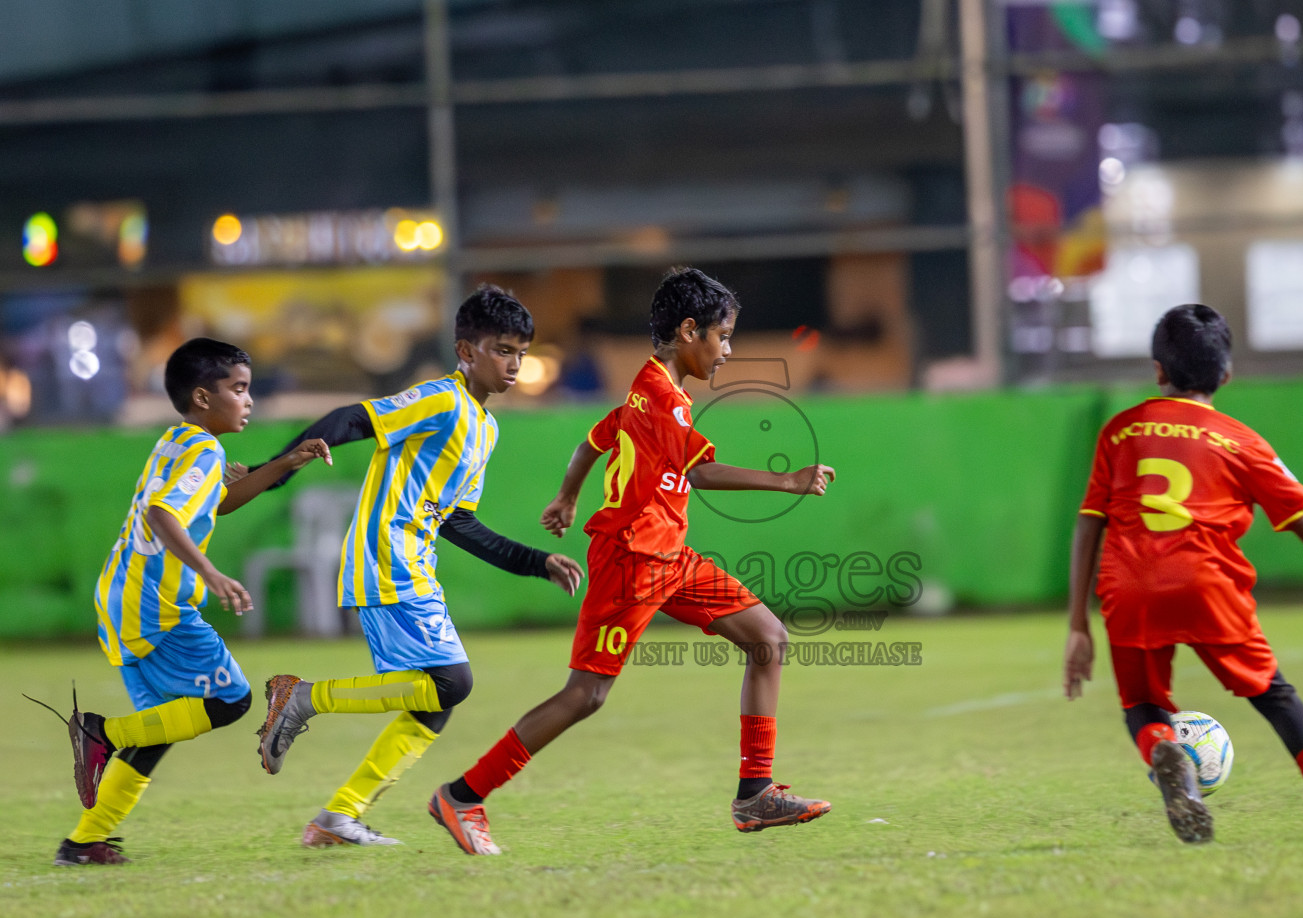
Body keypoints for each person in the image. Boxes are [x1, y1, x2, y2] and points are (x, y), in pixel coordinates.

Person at [426, 267, 835, 856]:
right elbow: (699, 472)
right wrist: (786, 480)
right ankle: (463, 795)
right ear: (689, 331)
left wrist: (568, 495)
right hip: (632, 559)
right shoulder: (663, 401)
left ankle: (754, 792)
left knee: (768, 638)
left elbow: (593, 440)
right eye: (722, 337)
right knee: (586, 695)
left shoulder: (647, 391)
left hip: (670, 554)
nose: (727, 350)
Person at [1062, 304, 1303, 844]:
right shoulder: (1241, 441)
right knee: (1275, 695)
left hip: (1128, 584)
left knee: (1143, 705)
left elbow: (1087, 525)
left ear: (1157, 371)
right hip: (1205, 581)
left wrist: (1078, 624)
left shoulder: (1120, 432)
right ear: (1226, 374)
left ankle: (1165, 756)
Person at [254, 284, 583, 847]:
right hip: (387, 555)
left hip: (416, 562)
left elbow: (458, 521)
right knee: (450, 682)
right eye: (503, 349)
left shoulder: (486, 427)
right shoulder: (440, 399)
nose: (515, 363)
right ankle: (303, 698)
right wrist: (279, 466)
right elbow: (353, 418)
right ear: (466, 350)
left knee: (436, 701)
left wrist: (535, 561)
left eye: (522, 352)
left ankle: (338, 817)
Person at [47, 338, 332, 866]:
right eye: (239, 389)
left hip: (124, 594)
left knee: (163, 726)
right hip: (156, 604)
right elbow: (162, 513)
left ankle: (85, 840)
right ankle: (101, 732)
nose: (248, 400)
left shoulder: (180, 441)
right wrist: (211, 571)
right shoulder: (203, 451)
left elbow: (217, 502)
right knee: (232, 701)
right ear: (203, 397)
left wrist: (285, 463)